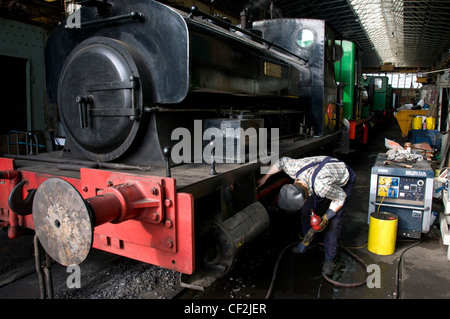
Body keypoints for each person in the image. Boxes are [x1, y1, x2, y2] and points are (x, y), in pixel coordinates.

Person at [256, 155, 356, 276]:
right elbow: (281, 162)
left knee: (334, 222)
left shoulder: (322, 187)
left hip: (343, 177)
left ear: (304, 198)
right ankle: (309, 242)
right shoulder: (294, 168)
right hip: (319, 175)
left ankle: (330, 259)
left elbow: (340, 198)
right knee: (306, 212)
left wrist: (325, 218)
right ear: (293, 184)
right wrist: (265, 178)